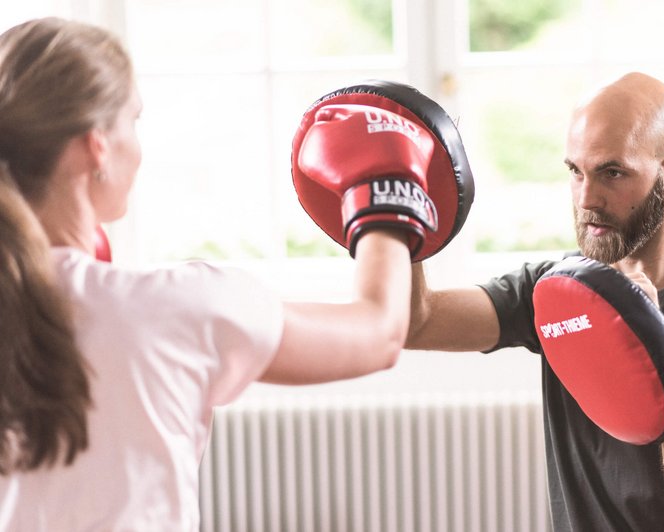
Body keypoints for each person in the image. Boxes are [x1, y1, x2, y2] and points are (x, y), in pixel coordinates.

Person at [0, 17, 449, 530]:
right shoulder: (172, 308)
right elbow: (380, 331)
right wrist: (385, 191)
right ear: (96, 145)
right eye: (134, 120)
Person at [406, 72, 664, 531]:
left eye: (613, 172)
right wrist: (399, 213)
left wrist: (653, 340)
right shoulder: (556, 289)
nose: (587, 198)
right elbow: (416, 321)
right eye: (575, 171)